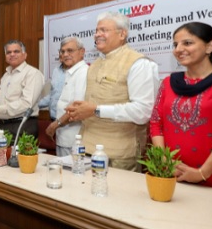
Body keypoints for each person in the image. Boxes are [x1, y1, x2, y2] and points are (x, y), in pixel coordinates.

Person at [150, 22, 212, 193]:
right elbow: (156, 123)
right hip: (172, 176)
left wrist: (201, 173)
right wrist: (165, 162)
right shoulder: (169, 82)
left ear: (210, 46)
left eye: (187, 43)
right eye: (175, 44)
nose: (178, 49)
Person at [66, 11, 159, 171]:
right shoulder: (95, 64)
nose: (97, 35)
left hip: (119, 155)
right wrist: (79, 110)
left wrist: (96, 110)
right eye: (96, 31)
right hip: (86, 149)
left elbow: (143, 111)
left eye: (103, 30)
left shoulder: (139, 63)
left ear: (122, 34)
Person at [0, 40, 44, 139]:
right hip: (1, 125)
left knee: (17, 155)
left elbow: (27, 104)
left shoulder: (32, 74)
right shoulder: (6, 75)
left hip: (22, 125)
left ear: (25, 55)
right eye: (9, 52)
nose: (12, 54)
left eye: (16, 51)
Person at [44, 37, 88, 156]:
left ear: (82, 52)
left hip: (73, 140)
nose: (65, 54)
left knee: (69, 172)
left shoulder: (83, 73)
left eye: (70, 50)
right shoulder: (70, 72)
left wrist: (55, 124)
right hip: (64, 137)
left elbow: (77, 108)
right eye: (62, 51)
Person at [38, 53, 67, 121]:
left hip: (69, 119)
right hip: (54, 117)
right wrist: (35, 105)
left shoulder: (80, 72)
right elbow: (53, 94)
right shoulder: (56, 71)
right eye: (61, 51)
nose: (63, 54)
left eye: (68, 51)